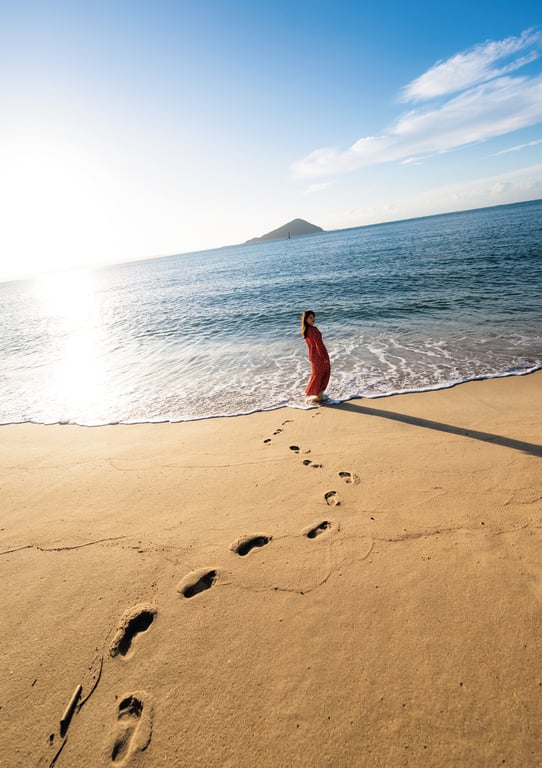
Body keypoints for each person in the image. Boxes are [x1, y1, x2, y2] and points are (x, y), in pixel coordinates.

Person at [301, 310, 330, 404]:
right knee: (324, 373)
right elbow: (318, 345)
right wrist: (324, 357)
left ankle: (316, 394)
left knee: (317, 374)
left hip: (313, 355)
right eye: (310, 317)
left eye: (313, 317)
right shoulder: (313, 330)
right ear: (305, 319)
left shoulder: (306, 330)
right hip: (319, 355)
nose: (313, 319)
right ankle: (318, 395)